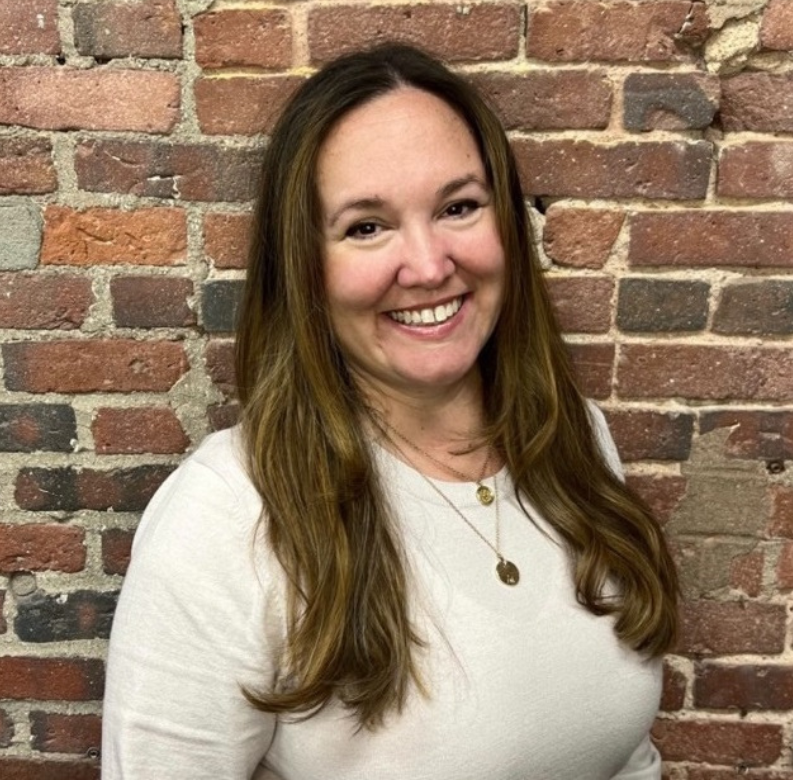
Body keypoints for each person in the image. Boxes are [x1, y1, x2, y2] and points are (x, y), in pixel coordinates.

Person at [102, 43, 679, 779]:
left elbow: (625, 754)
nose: (431, 264)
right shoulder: (228, 515)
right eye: (366, 226)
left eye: (459, 207)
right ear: (307, 266)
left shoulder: (574, 442)